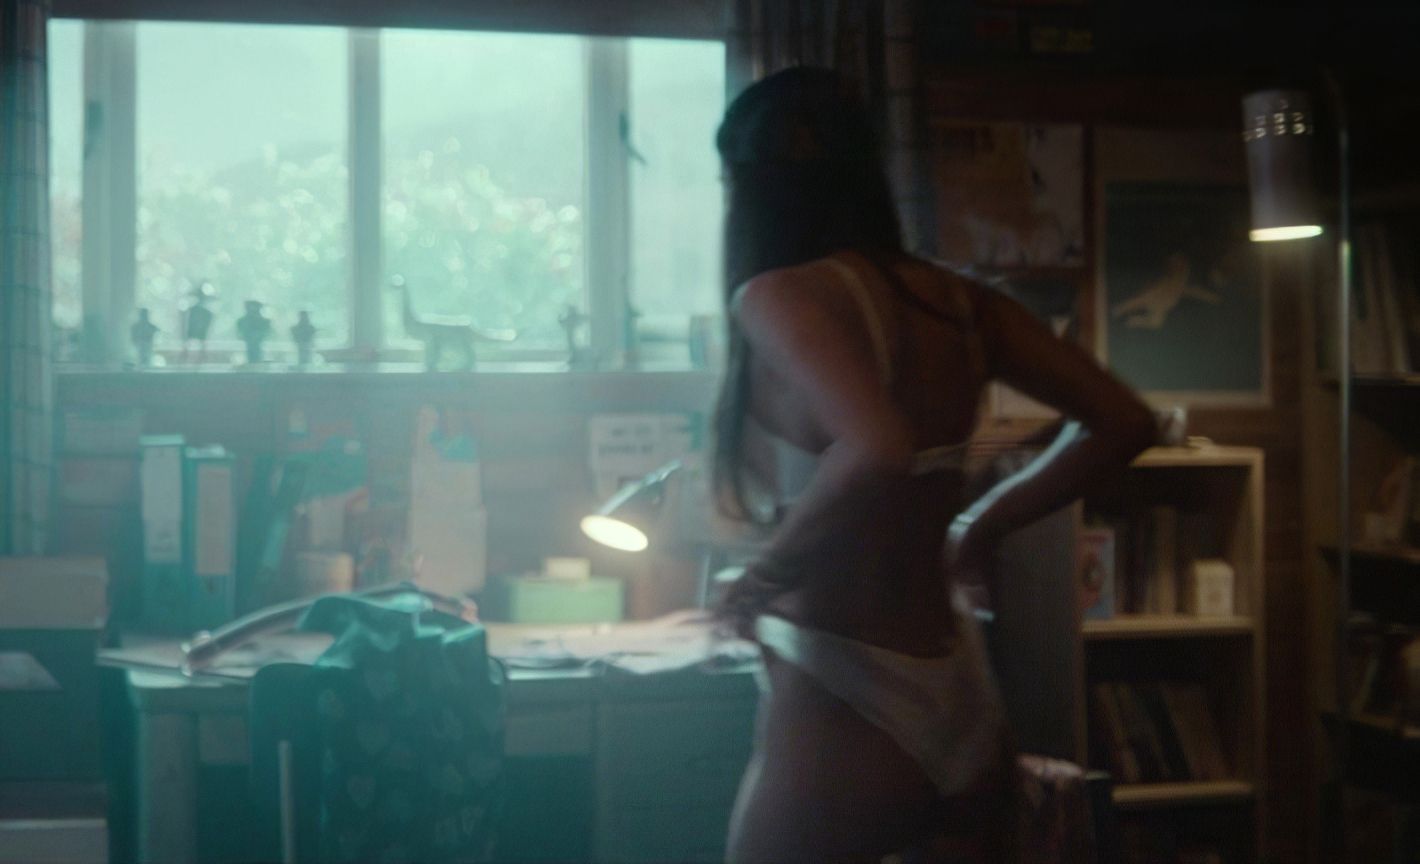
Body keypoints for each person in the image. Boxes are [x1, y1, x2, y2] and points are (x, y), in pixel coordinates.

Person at [711, 67, 1156, 863]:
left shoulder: (778, 295)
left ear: (750, 187)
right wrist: (981, 526)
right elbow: (1127, 421)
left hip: (843, 686)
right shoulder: (961, 302)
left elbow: (877, 447)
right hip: (962, 689)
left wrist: (763, 573)